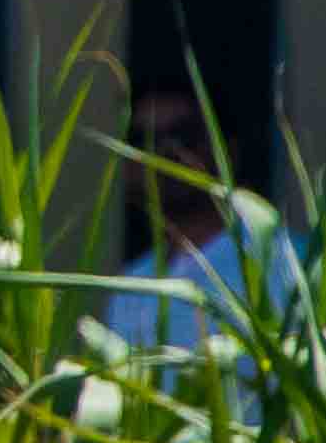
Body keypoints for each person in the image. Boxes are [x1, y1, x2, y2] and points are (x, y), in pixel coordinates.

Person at [95, 71, 303, 366]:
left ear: (227, 151)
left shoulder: (283, 263)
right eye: (143, 141)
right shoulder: (129, 287)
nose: (163, 153)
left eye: (183, 137)